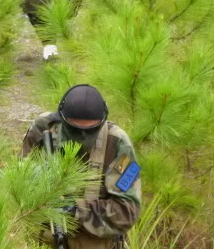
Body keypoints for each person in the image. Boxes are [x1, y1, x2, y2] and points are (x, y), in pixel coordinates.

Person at [21, 84, 142, 248]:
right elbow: (20, 182)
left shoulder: (119, 144)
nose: (83, 136)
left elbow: (127, 212)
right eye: (75, 128)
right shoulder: (44, 128)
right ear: (62, 118)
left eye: (91, 128)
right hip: (45, 241)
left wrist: (76, 209)